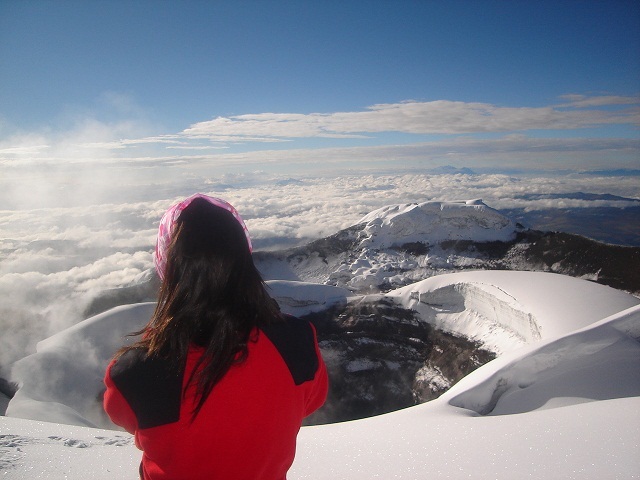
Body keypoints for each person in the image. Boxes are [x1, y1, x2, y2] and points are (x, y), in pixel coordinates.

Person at [103, 193, 328, 480]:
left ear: (168, 264)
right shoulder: (298, 342)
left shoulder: (134, 373)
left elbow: (122, 414)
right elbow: (312, 400)